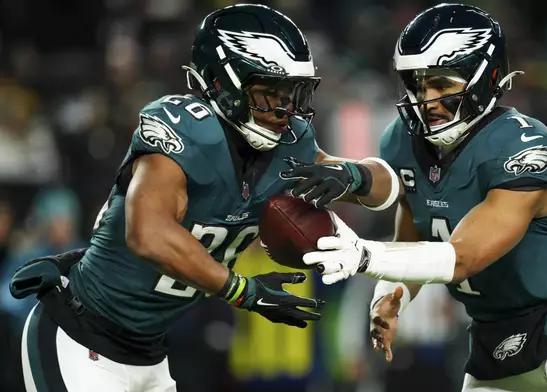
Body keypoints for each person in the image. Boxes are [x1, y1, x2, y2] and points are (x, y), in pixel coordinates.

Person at [9, 4, 399, 392]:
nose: (285, 110)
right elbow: (148, 234)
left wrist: (354, 174)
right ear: (221, 84)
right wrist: (241, 290)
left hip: (150, 354)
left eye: (292, 94)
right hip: (80, 336)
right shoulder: (185, 132)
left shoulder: (291, 145)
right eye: (268, 93)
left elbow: (388, 187)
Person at [299, 4, 547, 391]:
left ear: (485, 78)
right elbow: (416, 230)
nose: (425, 99)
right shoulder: (403, 140)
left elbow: (464, 256)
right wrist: (391, 293)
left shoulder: (521, 144)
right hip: (494, 336)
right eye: (416, 83)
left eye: (441, 85)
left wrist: (364, 256)